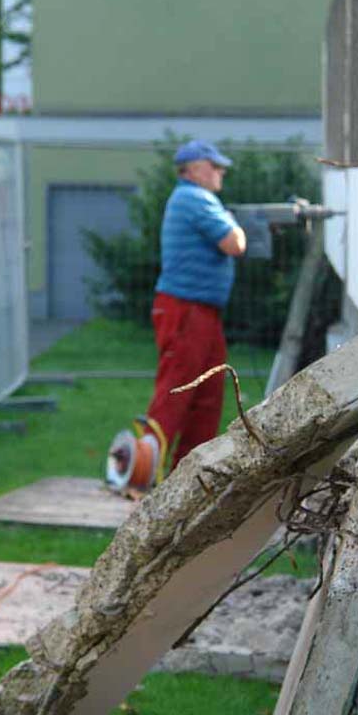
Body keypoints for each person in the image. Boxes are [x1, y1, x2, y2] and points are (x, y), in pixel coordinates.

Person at [143, 140, 247, 470]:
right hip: (186, 311)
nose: (221, 171)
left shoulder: (196, 199)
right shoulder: (195, 198)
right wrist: (236, 224)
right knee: (176, 393)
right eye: (213, 165)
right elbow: (235, 243)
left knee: (207, 397)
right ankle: (140, 475)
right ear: (191, 170)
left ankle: (184, 474)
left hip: (199, 311)